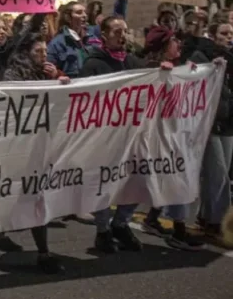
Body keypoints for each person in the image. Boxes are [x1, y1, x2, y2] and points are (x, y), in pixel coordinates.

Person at [0, 34, 68, 272]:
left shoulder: (47, 73)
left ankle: (42, 251)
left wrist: (57, 78)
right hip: (21, 145)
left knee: (36, 194)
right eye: (38, 52)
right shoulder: (14, 74)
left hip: (42, 143)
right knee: (27, 193)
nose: (43, 56)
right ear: (26, 53)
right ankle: (39, 249)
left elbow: (64, 97)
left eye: (45, 52)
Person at [80, 16, 145, 253]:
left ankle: (121, 224)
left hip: (132, 133)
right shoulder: (93, 65)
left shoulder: (134, 63)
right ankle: (103, 230)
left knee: (136, 178)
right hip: (105, 135)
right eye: (117, 32)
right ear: (104, 36)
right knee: (105, 181)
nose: (122, 36)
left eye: (124, 31)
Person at [140, 25, 207, 250]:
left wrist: (203, 72)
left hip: (174, 132)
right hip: (158, 134)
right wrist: (162, 75)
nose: (178, 44)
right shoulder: (151, 70)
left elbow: (187, 84)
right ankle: (178, 231)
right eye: (173, 41)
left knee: (170, 177)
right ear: (163, 47)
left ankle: (153, 219)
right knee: (176, 176)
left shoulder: (177, 67)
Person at [193, 19, 233, 240]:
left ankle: (205, 216)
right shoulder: (202, 56)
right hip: (209, 124)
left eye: (231, 34)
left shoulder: (231, 57)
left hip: (228, 124)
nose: (229, 37)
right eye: (224, 33)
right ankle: (220, 222)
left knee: (218, 175)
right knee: (219, 175)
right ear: (212, 34)